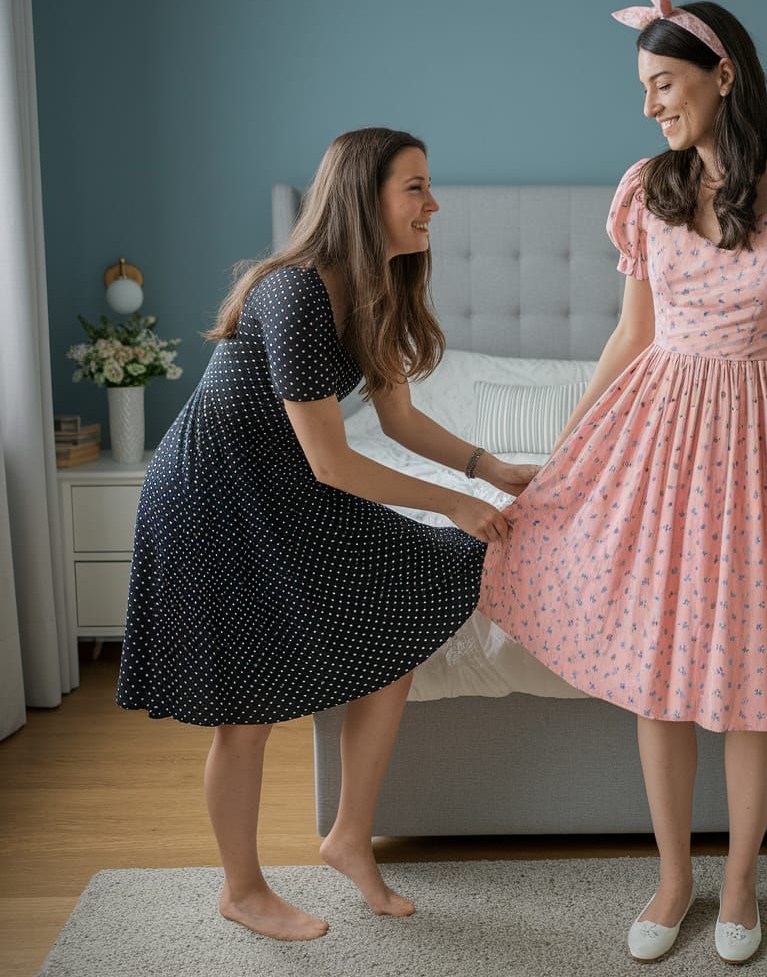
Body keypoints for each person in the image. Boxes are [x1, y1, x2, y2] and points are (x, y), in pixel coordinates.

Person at [478, 0, 767, 965]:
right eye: (644, 89)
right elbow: (631, 336)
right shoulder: (648, 189)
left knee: (755, 668)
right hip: (660, 442)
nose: (650, 105)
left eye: (663, 83)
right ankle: (673, 875)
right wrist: (568, 452)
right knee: (656, 673)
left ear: (722, 74)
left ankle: (740, 876)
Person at [115, 127, 538, 941]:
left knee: (412, 598)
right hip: (211, 498)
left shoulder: (374, 290)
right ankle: (242, 890)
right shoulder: (297, 294)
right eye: (415, 187)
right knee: (246, 714)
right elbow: (334, 463)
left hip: (285, 486)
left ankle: (348, 837)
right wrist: (455, 503)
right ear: (362, 198)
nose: (433, 204)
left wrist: (489, 468)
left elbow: (399, 420)